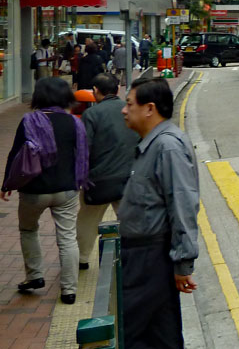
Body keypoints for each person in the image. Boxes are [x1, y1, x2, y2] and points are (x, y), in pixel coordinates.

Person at [118, 78, 205, 349]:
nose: (124, 110)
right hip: (146, 255)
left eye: (130, 103)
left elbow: (183, 204)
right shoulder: (152, 144)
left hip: (149, 258)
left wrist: (183, 262)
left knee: (122, 342)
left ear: (149, 108)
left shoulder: (167, 146)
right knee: (163, 340)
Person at [2, 77, 87, 303]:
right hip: (66, 190)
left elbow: (15, 153)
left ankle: (34, 276)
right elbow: (80, 154)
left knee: (28, 229)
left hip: (34, 191)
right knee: (67, 238)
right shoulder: (74, 122)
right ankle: (69, 291)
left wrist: (6, 184)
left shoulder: (29, 121)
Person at [77, 73, 139, 269]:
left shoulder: (91, 114)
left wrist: (80, 176)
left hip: (98, 180)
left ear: (95, 91)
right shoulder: (129, 109)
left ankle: (82, 258)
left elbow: (84, 148)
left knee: (87, 220)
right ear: (117, 89)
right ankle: (135, 256)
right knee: (129, 220)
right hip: (127, 177)